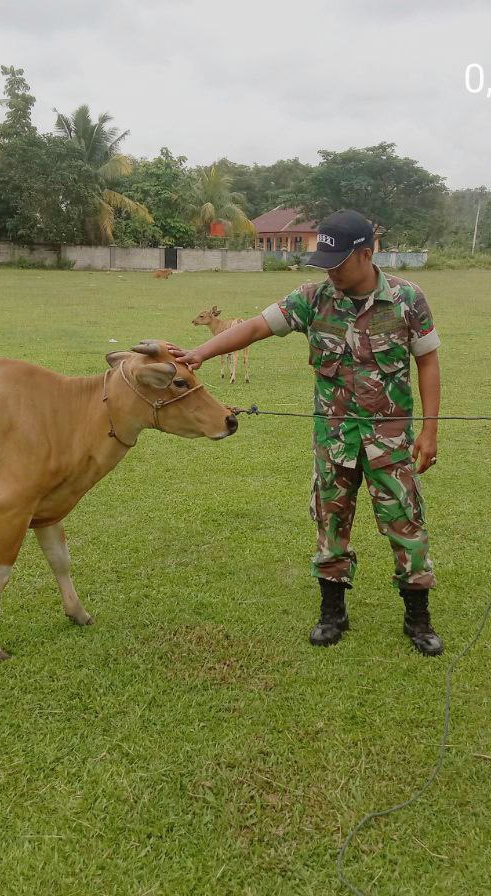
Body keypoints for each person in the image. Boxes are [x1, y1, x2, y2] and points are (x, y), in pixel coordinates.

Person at [170, 210, 444, 655]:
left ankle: (418, 618)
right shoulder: (312, 299)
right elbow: (256, 327)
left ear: (366, 254)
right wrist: (199, 353)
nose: (330, 271)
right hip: (334, 442)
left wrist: (429, 432)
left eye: (339, 262)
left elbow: (428, 362)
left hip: (390, 442)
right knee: (330, 523)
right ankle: (332, 611)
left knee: (405, 523)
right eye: (325, 262)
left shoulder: (408, 299)